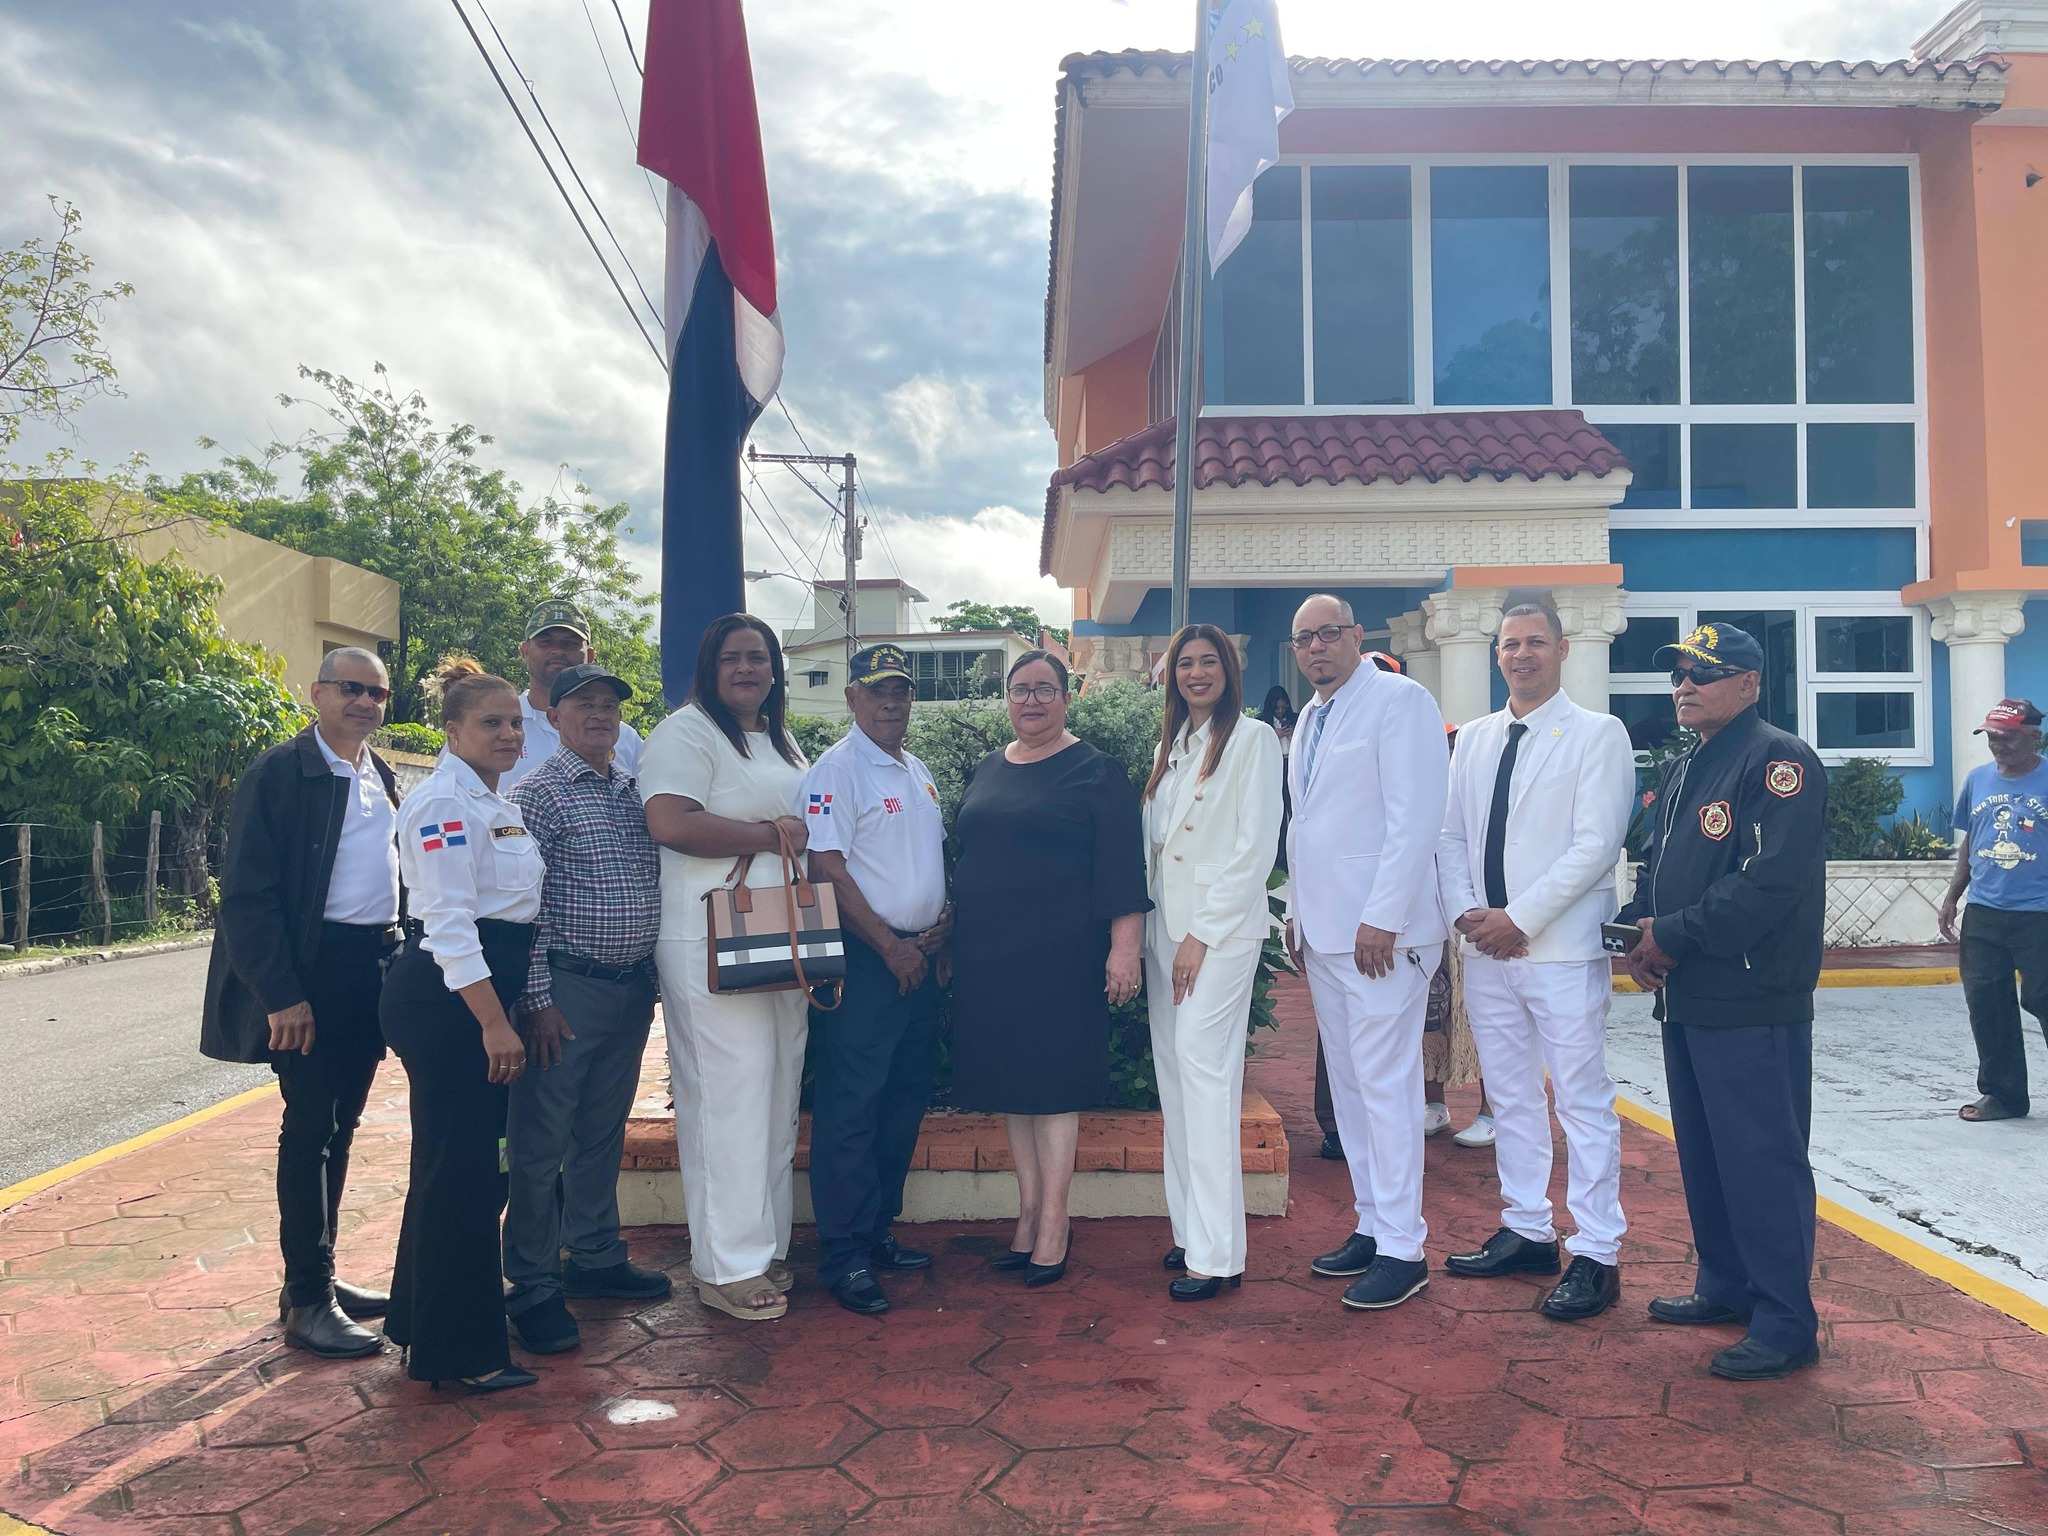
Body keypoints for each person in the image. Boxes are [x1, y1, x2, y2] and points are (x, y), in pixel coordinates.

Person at [1617, 622, 1828, 1381]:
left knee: (1762, 1159)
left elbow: (1770, 882)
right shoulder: (1684, 769)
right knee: (1707, 1154)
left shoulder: (1778, 760)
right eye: (1678, 675)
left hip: (1751, 993)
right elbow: (1659, 865)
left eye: (1702, 675)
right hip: (1689, 994)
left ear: (1749, 684)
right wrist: (1643, 934)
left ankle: (1785, 1320)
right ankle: (1726, 1285)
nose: (1684, 687)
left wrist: (1671, 934)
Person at [201, 647, 403, 1360]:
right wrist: (282, 994)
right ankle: (308, 1303)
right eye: (351, 689)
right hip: (309, 972)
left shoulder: (378, 773)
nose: (365, 703)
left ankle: (316, 1279)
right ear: (316, 691)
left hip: (367, 969)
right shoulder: (282, 773)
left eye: (377, 693)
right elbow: (247, 896)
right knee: (310, 1127)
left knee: (341, 1128)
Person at [1439, 603, 1635, 1320]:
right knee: (1512, 1095)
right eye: (1509, 644)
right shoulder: (1478, 738)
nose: (1521, 655)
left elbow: (1596, 843)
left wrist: (1518, 919)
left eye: (1535, 643)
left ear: (1563, 649)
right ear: (1495, 654)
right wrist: (1470, 916)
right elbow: (1450, 835)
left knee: (1582, 1099)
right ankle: (1526, 1226)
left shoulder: (1597, 734)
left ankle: (1596, 1251)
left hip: (1556, 949)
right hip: (1488, 949)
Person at [950, 650, 1150, 1286]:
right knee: (1014, 1084)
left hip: (1063, 952)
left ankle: (1056, 1223)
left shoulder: (1096, 771)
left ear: (1067, 697)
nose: (1031, 700)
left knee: (1055, 1084)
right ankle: (1027, 1213)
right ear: (1006, 700)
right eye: (1019, 690)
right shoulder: (987, 768)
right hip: (990, 955)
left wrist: (1125, 949)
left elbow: (1123, 869)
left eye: (1044, 689)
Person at [639, 615, 810, 1322]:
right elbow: (670, 822)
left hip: (778, 935)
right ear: (708, 668)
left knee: (774, 1094)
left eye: (760, 658)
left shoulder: (780, 738)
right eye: (733, 658)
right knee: (728, 1099)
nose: (748, 669)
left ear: (775, 670)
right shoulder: (685, 733)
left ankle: (763, 1243)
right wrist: (766, 834)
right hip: (706, 937)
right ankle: (724, 1265)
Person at [381, 658, 543, 1392]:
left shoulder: (492, 799)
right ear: (451, 731)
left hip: (476, 1000)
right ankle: (463, 1356)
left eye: (515, 721)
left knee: (452, 1166)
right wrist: (493, 1023)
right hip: (450, 1005)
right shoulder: (443, 804)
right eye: (491, 723)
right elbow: (448, 923)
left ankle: (422, 1323)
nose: (510, 733)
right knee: (466, 1174)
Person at [1284, 595, 1449, 1313]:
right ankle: (1372, 1220)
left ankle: (1405, 1249)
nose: (1317, 648)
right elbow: (1307, 826)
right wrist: (1292, 908)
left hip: (1384, 936)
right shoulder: (1314, 717)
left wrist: (1382, 915)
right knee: (1350, 1088)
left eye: (1329, 634)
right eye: (1304, 640)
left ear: (1356, 637)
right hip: (1325, 933)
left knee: (1387, 1086)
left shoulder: (1399, 700)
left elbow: (1417, 817)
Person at [501, 662, 670, 1356]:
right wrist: (536, 999)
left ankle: (595, 1254)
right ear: (553, 717)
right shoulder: (534, 796)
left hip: (629, 989)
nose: (600, 716)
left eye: (610, 706)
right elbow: (523, 910)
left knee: (602, 1131)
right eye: (585, 705)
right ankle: (534, 1284)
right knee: (540, 1144)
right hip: (565, 993)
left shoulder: (634, 794)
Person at [800, 644, 951, 1315]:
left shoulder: (914, 769)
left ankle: (878, 1230)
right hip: (869, 960)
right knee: (852, 1108)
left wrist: (937, 930)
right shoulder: (837, 770)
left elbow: (924, 859)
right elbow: (826, 865)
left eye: (902, 691)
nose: (892, 702)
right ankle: (844, 1254)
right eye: (879, 691)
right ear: (853, 698)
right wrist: (892, 946)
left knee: (903, 1100)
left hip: (918, 960)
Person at [1143, 626, 1283, 1301]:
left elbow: (1253, 849)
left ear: (1229, 670)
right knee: (1177, 1081)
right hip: (1163, 934)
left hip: (1217, 936)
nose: (1195, 674)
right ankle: (1189, 1229)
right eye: (1184, 664)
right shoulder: (1174, 747)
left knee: (1206, 1079)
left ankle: (1218, 1254)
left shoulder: (1251, 740)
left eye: (1208, 663)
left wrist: (1200, 934)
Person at [1938, 698, 2048, 1123]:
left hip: (2040, 912)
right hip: (1984, 911)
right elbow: (1973, 841)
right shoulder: (1978, 779)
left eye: (2007, 736)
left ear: (2033, 735)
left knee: (2043, 998)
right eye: (1991, 736)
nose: (1997, 744)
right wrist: (1953, 896)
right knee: (1987, 1003)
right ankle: (2003, 1096)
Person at [502, 599, 645, 793]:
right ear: (525, 651)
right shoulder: (497, 727)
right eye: (546, 642)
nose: (558, 651)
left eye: (571, 643)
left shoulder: (624, 738)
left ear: (590, 655)